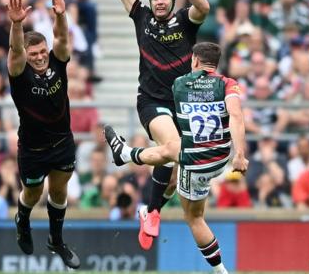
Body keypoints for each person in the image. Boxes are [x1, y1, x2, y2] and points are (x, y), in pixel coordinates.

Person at [98, 0, 211, 250]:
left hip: (183, 105)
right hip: (152, 102)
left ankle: (151, 210)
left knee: (173, 165)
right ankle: (126, 154)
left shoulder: (185, 22)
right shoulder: (142, 18)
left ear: (172, 1)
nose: (160, 2)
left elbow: (204, 7)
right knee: (175, 150)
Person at [105, 42, 249, 274]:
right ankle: (151, 204)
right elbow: (236, 115)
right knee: (171, 152)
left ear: (194, 61)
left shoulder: (180, 84)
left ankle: (127, 155)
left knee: (194, 217)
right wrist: (240, 154)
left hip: (194, 161)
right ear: (216, 64)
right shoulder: (228, 84)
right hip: (220, 158)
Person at [6, 0, 80, 269]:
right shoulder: (19, 74)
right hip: (33, 149)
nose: (38, 57)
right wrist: (16, 24)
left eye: (41, 51)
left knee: (59, 192)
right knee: (33, 195)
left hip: (62, 142)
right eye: (32, 53)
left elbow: (61, 38)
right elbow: (14, 50)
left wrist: (60, 16)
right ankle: (22, 220)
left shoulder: (57, 61)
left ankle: (56, 240)